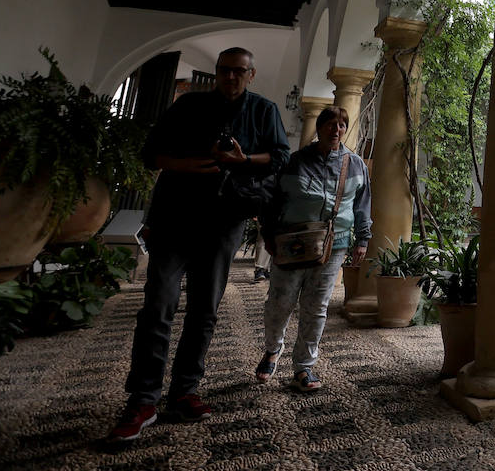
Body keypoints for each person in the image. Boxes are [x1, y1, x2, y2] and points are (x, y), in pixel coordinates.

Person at [107, 47, 290, 443]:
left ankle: (185, 390)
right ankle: (142, 399)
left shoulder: (264, 110)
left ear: (251, 74)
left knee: (204, 310)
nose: (231, 78)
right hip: (174, 218)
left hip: (224, 222)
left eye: (239, 72)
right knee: (158, 305)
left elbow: (279, 159)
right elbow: (150, 153)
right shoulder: (188, 105)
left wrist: (244, 159)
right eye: (225, 71)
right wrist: (187, 165)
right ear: (217, 72)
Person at [257, 104, 371, 392]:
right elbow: (273, 200)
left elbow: (362, 206)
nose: (336, 130)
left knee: (316, 306)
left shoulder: (355, 164)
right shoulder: (295, 161)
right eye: (330, 124)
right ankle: (272, 349)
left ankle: (304, 367)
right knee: (280, 302)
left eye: (342, 125)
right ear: (319, 128)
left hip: (334, 244)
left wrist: (362, 240)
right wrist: (268, 234)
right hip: (291, 241)